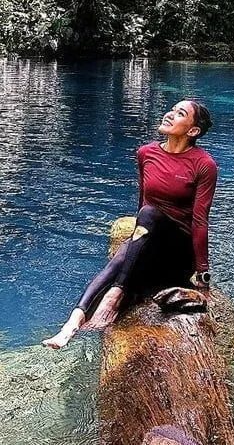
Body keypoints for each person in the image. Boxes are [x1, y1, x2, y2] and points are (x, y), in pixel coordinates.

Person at [42, 99, 218, 349]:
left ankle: (114, 296)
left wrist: (203, 275)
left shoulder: (204, 164)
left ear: (193, 131)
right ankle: (72, 323)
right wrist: (135, 245)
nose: (169, 114)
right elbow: (143, 202)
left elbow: (200, 221)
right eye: (171, 108)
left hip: (179, 250)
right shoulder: (146, 153)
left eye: (180, 113)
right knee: (122, 256)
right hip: (152, 236)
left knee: (147, 217)